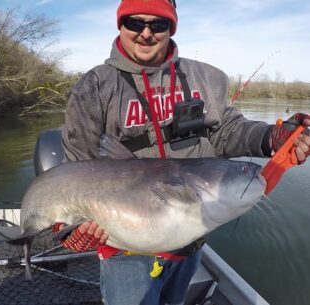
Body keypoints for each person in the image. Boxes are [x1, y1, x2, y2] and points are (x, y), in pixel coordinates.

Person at [59, 0, 310, 304]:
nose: (146, 33)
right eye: (135, 23)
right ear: (120, 25)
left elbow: (229, 131)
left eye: (158, 24)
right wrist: (67, 227)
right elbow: (74, 169)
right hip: (125, 251)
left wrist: (272, 136)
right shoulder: (94, 87)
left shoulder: (206, 78)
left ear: (172, 26)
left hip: (190, 239)